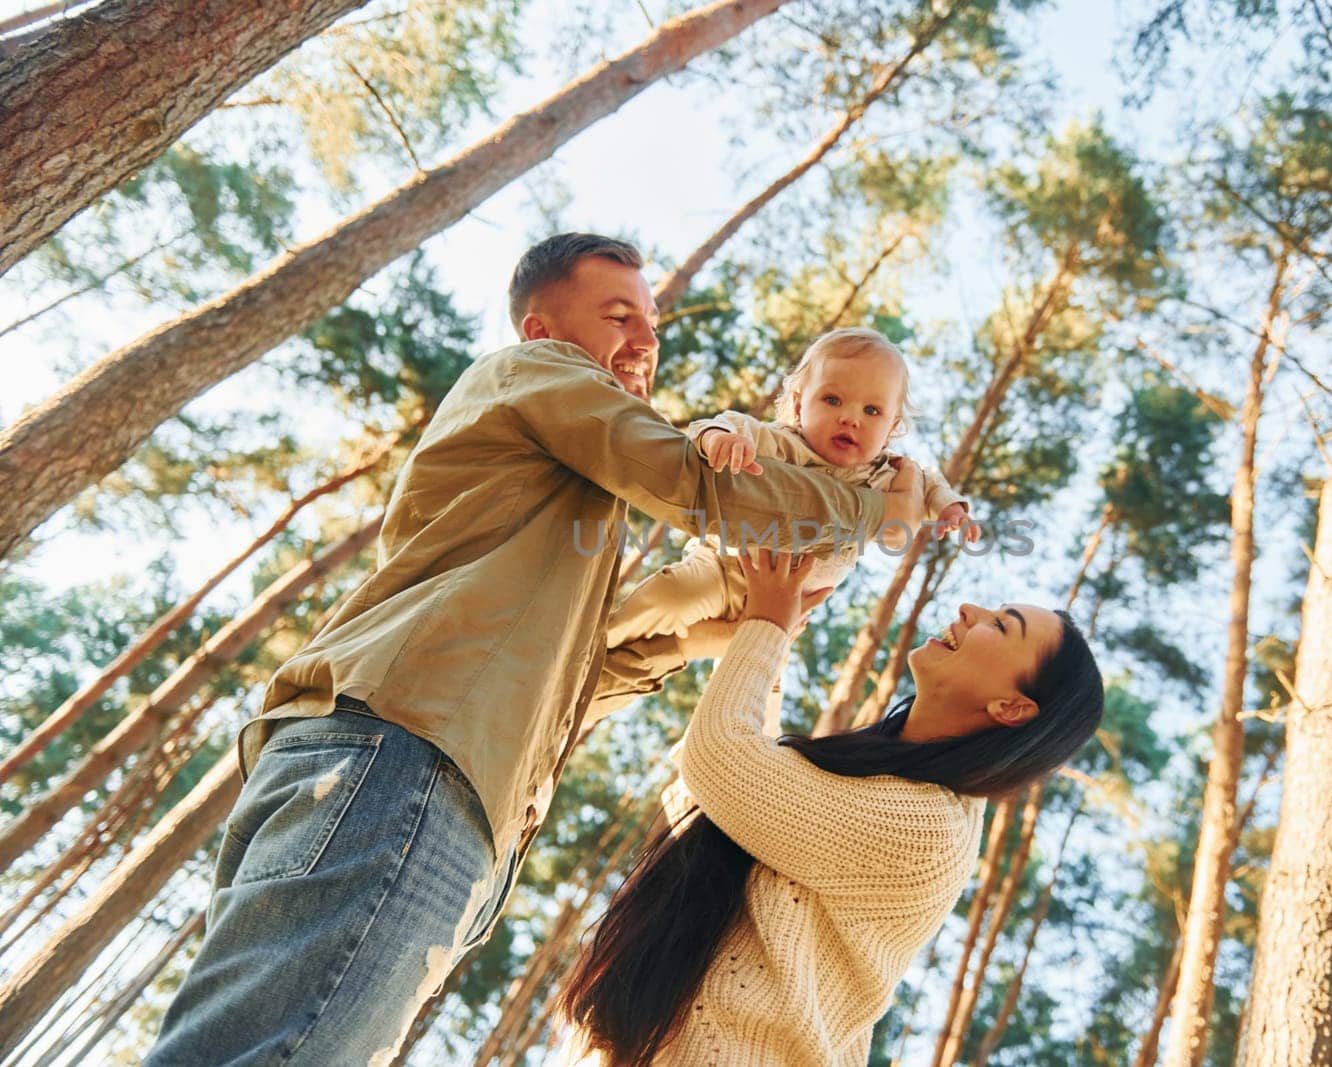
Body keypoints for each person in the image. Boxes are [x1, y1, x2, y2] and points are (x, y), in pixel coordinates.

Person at [146, 234, 928, 1066]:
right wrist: (870, 506)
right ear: (541, 328)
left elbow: (577, 681)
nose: (645, 340)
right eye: (619, 314)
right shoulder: (545, 374)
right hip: (409, 760)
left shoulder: (563, 497)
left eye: (652, 322)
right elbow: (700, 484)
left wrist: (722, 633)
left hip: (427, 781)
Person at [557, 549, 1105, 1066]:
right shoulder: (872, 781)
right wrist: (768, 631)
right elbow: (717, 795)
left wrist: (768, 629)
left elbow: (721, 762)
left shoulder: (930, 830)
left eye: (1003, 625)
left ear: (1012, 707)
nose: (969, 609)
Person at [599, 328, 977, 710]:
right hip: (724, 568)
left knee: (758, 695)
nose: (850, 418)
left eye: (872, 411)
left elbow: (932, 486)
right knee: (673, 597)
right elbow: (724, 423)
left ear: (892, 427)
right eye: (832, 399)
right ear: (798, 406)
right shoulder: (782, 442)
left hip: (788, 606)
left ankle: (701, 756)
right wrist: (719, 438)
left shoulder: (889, 474)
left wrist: (952, 510)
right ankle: (601, 642)